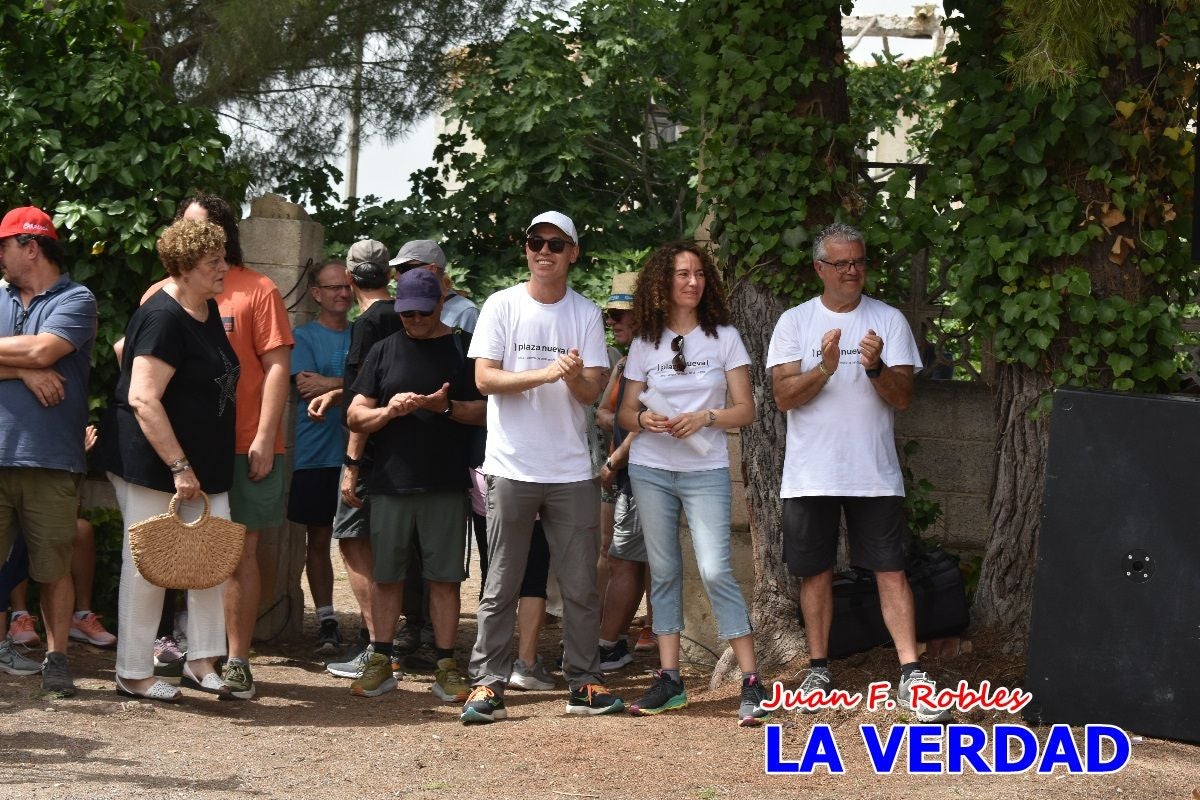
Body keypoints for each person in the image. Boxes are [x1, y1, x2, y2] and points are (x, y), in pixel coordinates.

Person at [766, 222, 949, 723]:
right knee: (815, 573)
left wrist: (874, 368)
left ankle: (912, 673)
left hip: (873, 473)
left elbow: (904, 397)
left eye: (859, 261)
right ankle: (819, 668)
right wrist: (824, 367)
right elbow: (783, 398)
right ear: (819, 268)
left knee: (891, 570)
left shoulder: (887, 320)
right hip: (811, 473)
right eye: (841, 263)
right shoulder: (794, 323)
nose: (852, 271)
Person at [461, 211, 622, 723]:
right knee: (501, 582)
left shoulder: (585, 313)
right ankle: (487, 685)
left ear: (573, 252)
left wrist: (571, 378)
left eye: (556, 244)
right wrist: (547, 372)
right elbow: (484, 380)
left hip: (572, 470)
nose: (544, 251)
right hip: (509, 467)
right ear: (526, 249)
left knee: (579, 585)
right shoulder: (501, 304)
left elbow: (591, 391)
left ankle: (585, 682)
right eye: (536, 242)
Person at [615, 242, 768, 727]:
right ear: (663, 282)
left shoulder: (724, 337)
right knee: (662, 571)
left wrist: (706, 416)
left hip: (705, 471)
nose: (692, 282)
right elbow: (623, 412)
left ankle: (751, 680)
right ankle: (670, 679)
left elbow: (746, 409)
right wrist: (646, 418)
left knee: (716, 568)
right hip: (650, 468)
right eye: (682, 274)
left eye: (699, 274)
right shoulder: (643, 343)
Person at [102, 217, 239, 703]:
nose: (223, 267)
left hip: (206, 464)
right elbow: (142, 397)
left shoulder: (205, 304)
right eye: (212, 262)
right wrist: (179, 465)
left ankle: (201, 660)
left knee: (212, 558)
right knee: (146, 565)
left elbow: (123, 349)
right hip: (156, 463)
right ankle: (133, 672)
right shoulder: (162, 316)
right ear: (183, 268)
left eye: (222, 257)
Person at [345, 269, 485, 701]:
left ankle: (446, 663)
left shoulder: (462, 347)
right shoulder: (385, 349)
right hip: (389, 482)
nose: (414, 321)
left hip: (444, 482)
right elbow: (354, 415)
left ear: (441, 304)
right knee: (388, 576)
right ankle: (382, 659)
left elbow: (483, 412)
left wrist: (444, 408)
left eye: (423, 312)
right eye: (406, 313)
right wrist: (388, 413)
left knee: (444, 579)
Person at [176, 194, 292, 700]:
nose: (191, 236)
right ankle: (190, 651)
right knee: (183, 547)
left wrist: (265, 436)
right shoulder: (163, 292)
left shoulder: (257, 289)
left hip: (246, 443)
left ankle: (238, 658)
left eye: (200, 228)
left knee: (240, 550)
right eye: (184, 227)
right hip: (185, 448)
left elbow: (277, 369)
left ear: (223, 235)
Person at [0, 205, 97, 696]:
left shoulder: (77, 299)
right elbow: (35, 357)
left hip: (52, 458)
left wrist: (33, 358)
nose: (0, 259)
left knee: (54, 566)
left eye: (3, 248)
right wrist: (22, 370)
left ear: (29, 247)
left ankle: (56, 657)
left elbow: (45, 352)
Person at [317, 239, 401, 680]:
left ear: (349, 281)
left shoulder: (367, 324)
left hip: (368, 453)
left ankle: (377, 648)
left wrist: (351, 464)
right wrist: (338, 392)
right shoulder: (407, 314)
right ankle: (385, 644)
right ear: (389, 274)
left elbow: (365, 402)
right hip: (403, 453)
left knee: (352, 542)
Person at [288, 261, 352, 653]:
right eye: (333, 288)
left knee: (361, 542)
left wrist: (335, 383)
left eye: (346, 287)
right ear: (315, 293)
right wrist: (354, 383)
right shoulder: (303, 336)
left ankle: (370, 627)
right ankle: (327, 619)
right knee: (318, 538)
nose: (342, 294)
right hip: (316, 454)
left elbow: (379, 381)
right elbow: (306, 386)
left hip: (359, 454)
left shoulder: (363, 332)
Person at [7, 425, 117, 649]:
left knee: (81, 529)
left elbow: (70, 507)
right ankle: (19, 615)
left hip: (50, 499)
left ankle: (81, 616)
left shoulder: (63, 425)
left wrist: (76, 458)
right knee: (19, 532)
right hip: (15, 503)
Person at [595, 272, 653, 671]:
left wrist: (616, 459)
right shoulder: (627, 363)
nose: (612, 322)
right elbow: (605, 413)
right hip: (625, 473)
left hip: (637, 472)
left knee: (627, 559)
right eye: (609, 314)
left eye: (619, 314)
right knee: (620, 556)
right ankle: (608, 640)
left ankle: (609, 643)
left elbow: (647, 420)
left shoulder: (652, 358)